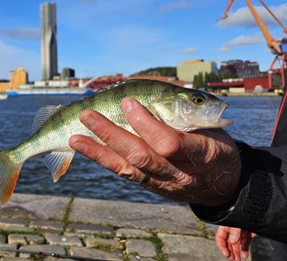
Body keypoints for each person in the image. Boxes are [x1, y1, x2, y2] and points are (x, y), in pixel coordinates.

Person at [68, 97, 287, 259]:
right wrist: (246, 202)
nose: (205, 104)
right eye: (198, 101)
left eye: (197, 100)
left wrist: (242, 181)